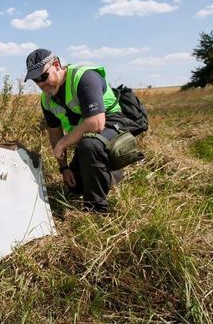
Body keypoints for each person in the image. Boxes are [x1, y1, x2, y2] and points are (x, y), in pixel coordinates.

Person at [25, 49, 138, 213]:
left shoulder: (84, 78)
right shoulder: (47, 99)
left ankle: (96, 208)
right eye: (36, 81)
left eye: (43, 77)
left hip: (113, 124)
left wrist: (63, 143)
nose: (41, 84)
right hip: (87, 134)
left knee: (89, 145)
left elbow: (96, 123)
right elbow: (55, 133)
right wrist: (64, 168)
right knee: (76, 186)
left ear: (56, 65)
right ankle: (110, 172)